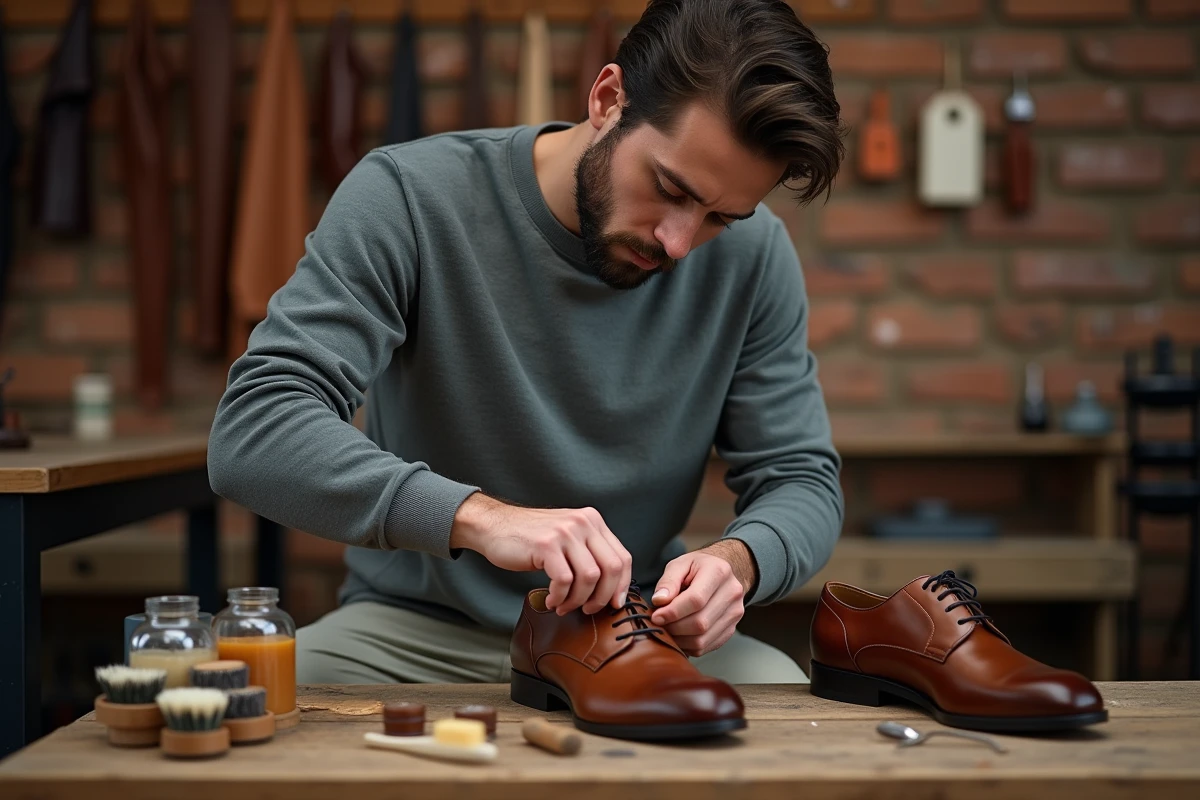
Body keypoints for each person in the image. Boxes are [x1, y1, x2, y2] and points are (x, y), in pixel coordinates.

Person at [207, 0, 846, 687]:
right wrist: (478, 519)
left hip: (633, 633)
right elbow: (255, 430)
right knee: (232, 711)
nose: (680, 242)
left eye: (722, 217)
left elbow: (800, 480)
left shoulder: (756, 259)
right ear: (607, 99)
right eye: (669, 188)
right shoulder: (410, 198)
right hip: (414, 635)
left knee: (782, 704)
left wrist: (738, 563)